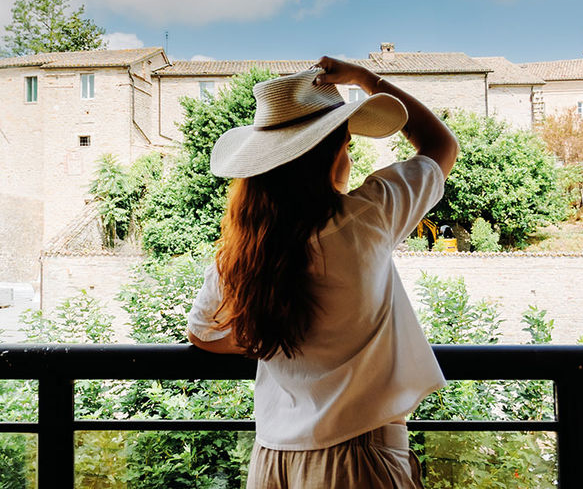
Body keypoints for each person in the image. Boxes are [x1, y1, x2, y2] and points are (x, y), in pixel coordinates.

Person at [186, 56, 458, 488]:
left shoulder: (243, 249)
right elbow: (440, 146)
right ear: (330, 157)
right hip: (359, 456)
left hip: (272, 459)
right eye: (346, 145)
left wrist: (272, 331)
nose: (348, 157)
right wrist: (367, 79)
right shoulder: (371, 216)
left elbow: (203, 334)